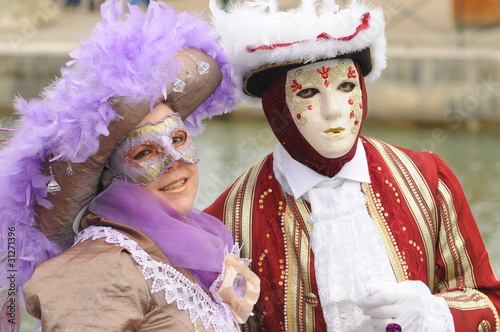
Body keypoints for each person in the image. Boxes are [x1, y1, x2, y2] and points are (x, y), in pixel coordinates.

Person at [206, 0, 500, 331]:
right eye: (308, 93)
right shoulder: (226, 222)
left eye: (346, 86)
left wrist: (436, 315)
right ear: (277, 108)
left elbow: (490, 301)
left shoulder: (428, 179)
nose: (333, 111)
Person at [0, 1, 259, 331]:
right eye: (144, 153)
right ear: (107, 178)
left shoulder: (186, 241)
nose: (175, 160)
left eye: (178, 138)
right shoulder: (98, 268)